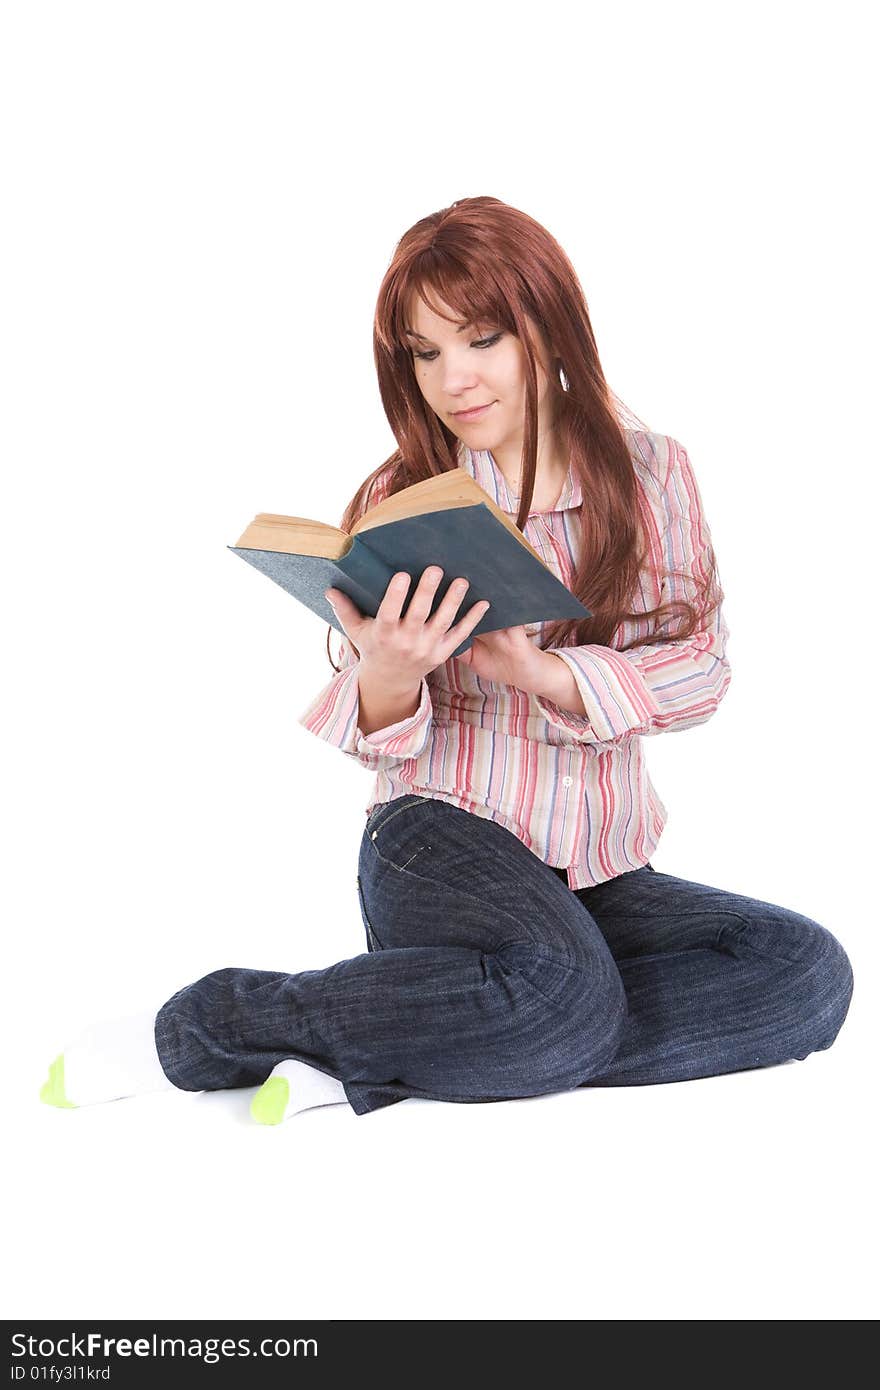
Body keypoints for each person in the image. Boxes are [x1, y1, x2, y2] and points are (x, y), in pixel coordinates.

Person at [39, 195, 854, 1124]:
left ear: (545, 328)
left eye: (480, 339)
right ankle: (209, 1024)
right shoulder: (408, 498)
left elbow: (701, 669)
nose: (452, 379)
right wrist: (388, 673)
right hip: (436, 841)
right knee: (564, 1002)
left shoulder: (653, 475)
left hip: (594, 866)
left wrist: (548, 675)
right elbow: (382, 729)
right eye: (425, 353)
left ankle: (398, 1047)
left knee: (804, 974)